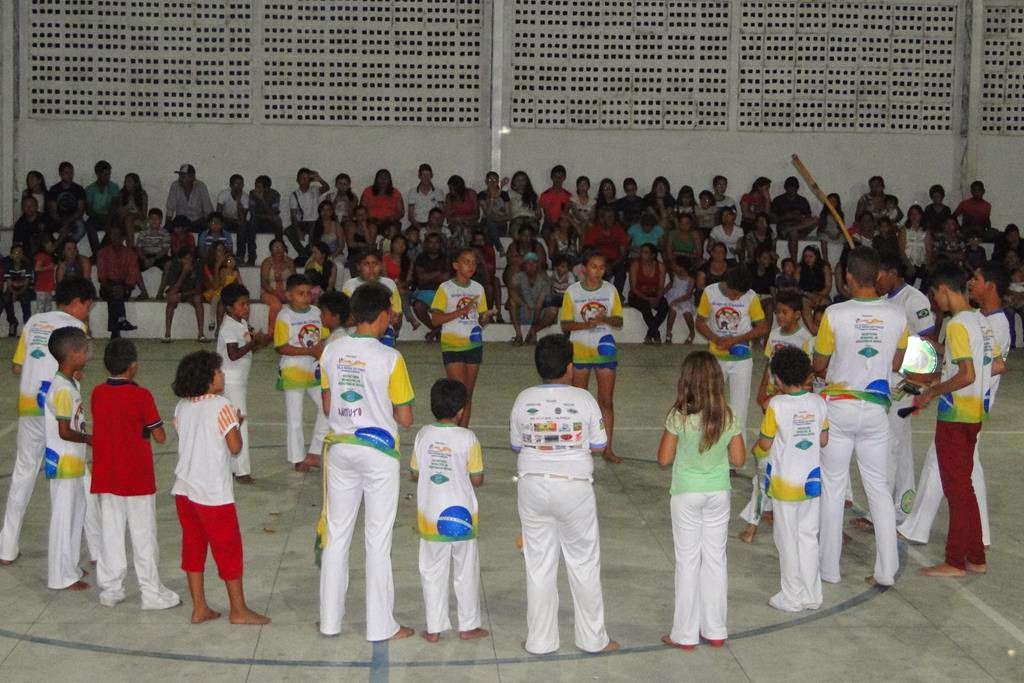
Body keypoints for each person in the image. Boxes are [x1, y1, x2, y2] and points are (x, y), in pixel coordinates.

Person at [317, 282, 415, 641]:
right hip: (378, 454)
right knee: (377, 539)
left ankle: (330, 621)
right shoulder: (391, 358)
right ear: (384, 315)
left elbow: (328, 406)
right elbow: (404, 418)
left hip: (340, 449)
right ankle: (380, 625)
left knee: (337, 535)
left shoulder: (331, 351)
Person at [509, 334, 618, 655]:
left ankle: (540, 640)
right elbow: (599, 445)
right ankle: (592, 639)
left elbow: (517, 444)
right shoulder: (584, 399)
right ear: (570, 367)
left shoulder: (522, 399)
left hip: (532, 483)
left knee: (538, 563)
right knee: (583, 562)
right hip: (573, 485)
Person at [812, 246, 908, 587]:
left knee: (834, 487)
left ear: (848, 277)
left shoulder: (834, 315)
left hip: (839, 407)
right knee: (879, 490)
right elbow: (900, 361)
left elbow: (819, 365)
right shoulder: (897, 315)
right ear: (879, 276)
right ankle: (886, 572)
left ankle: (828, 570)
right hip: (875, 411)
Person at [899, 262, 1008, 547]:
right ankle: (973, 538)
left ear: (943, 290)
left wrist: (935, 388)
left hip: (961, 408)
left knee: (958, 481)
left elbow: (981, 369)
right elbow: (986, 362)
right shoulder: (981, 320)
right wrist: (947, 361)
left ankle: (962, 545)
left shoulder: (971, 322)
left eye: (978, 278)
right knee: (961, 473)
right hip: (969, 407)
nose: (973, 282)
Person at [0, 277, 96, 566]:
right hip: (59, 408)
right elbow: (76, 371)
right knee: (78, 478)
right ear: (78, 302)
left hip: (29, 406)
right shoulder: (76, 328)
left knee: (23, 475)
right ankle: (94, 549)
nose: (87, 313)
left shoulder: (33, 322)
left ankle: (6, 547)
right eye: (88, 306)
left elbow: (17, 367)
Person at [170, 350, 269, 625]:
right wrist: (236, 425)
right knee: (228, 549)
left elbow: (191, 435)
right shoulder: (221, 406)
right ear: (207, 378)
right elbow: (234, 447)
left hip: (184, 489)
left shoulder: (182, 406)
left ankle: (199, 607)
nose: (223, 375)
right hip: (212, 492)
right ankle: (238, 609)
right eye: (218, 371)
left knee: (193, 547)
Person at [657, 351, 745, 650]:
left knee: (688, 561)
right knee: (715, 559)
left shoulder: (678, 415)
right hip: (718, 492)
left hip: (686, 492)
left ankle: (684, 633)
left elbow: (664, 458)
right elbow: (738, 459)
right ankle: (716, 629)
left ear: (686, 381)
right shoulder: (728, 414)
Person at [90, 338, 180, 609]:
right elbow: (160, 436)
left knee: (111, 533)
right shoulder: (142, 395)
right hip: (137, 476)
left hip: (107, 474)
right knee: (143, 535)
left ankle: (111, 589)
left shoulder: (97, 392)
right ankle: (151, 592)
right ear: (133, 365)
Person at [411, 379, 488, 643]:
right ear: (461, 410)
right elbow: (476, 479)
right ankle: (468, 626)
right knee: (465, 569)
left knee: (431, 570)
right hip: (462, 517)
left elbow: (414, 471)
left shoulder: (423, 435)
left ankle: (434, 628)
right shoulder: (468, 438)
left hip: (430, 515)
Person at [753, 346, 828, 612]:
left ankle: (791, 596)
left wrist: (758, 449)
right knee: (808, 536)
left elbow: (765, 442)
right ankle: (811, 594)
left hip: (785, 485)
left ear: (778, 380)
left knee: (787, 539)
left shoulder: (777, 405)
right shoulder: (819, 403)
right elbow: (823, 439)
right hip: (812, 482)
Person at [867, 250, 936, 530]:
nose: (876, 281)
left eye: (879, 276)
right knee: (899, 444)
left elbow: (927, 340)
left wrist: (912, 380)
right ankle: (902, 505)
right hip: (886, 379)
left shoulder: (913, 299)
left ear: (892, 272)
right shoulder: (883, 300)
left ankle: (882, 513)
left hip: (903, 381)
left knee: (891, 444)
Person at [743, 289, 813, 544]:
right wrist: (762, 393)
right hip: (772, 404)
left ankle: (759, 516)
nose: (780, 317)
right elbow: (768, 367)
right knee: (769, 454)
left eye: (785, 312)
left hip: (790, 405)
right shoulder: (773, 335)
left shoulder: (806, 339)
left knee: (773, 458)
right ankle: (766, 508)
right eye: (777, 312)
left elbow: (808, 376)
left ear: (797, 314)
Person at [560, 250, 624, 464]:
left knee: (606, 400)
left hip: (604, 350)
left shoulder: (610, 290)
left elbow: (619, 321)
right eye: (594, 266)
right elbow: (565, 324)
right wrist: (585, 324)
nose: (598, 271)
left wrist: (605, 318)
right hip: (579, 351)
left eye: (602, 267)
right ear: (584, 268)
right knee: (579, 401)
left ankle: (608, 448)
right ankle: (579, 445)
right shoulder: (572, 292)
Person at [43, 327, 93, 591]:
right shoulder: (62, 389)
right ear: (72, 354)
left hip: (73, 462)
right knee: (63, 519)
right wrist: (89, 439)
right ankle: (59, 575)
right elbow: (64, 430)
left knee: (76, 514)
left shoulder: (70, 382)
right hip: (63, 462)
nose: (87, 355)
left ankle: (70, 566)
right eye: (83, 351)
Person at [695, 266, 769, 444]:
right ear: (726, 284)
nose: (735, 298)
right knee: (711, 405)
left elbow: (762, 326)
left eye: (739, 296)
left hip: (742, 360)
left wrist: (736, 339)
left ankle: (736, 456)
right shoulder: (710, 292)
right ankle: (709, 447)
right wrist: (716, 338)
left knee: (739, 409)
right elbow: (700, 321)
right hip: (716, 358)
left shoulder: (751, 296)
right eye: (733, 294)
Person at [431, 249, 493, 427]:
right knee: (458, 393)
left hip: (473, 344)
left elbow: (480, 320)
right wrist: (462, 311)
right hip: (453, 346)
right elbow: (435, 319)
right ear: (456, 265)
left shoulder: (478, 288)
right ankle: (452, 428)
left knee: (468, 394)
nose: (471, 266)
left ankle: (463, 431)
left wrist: (486, 317)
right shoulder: (446, 288)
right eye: (466, 261)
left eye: (474, 262)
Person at [217, 284, 272, 484]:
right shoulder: (228, 327)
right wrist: (253, 342)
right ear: (229, 308)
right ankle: (242, 470)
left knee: (234, 421)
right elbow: (233, 354)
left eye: (247, 303)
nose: (246, 307)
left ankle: (233, 466)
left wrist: (261, 341)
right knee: (240, 421)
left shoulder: (240, 323)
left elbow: (247, 351)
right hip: (231, 381)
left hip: (238, 380)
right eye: (242, 304)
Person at [275, 274, 328, 472]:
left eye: (308, 293)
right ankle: (297, 457)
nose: (306, 297)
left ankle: (314, 451)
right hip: (293, 371)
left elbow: (323, 336)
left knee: (326, 407)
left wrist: (320, 349)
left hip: (314, 369)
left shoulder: (316, 312)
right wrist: (309, 351)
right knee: (295, 417)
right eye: (300, 294)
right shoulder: (285, 316)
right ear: (289, 295)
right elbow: (281, 347)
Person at [340, 249, 404, 346]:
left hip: (383, 329)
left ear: (381, 266)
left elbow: (396, 315)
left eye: (375, 264)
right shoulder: (350, 286)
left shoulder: (389, 284)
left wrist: (392, 320)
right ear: (358, 267)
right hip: (356, 330)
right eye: (366, 264)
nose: (371, 268)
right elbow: (346, 318)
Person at [96, 225, 140, 338]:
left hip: (125, 286)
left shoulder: (129, 253)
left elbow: (133, 274)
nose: (116, 238)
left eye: (118, 235)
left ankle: (115, 332)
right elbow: (101, 276)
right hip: (107, 286)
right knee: (114, 294)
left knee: (116, 296)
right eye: (113, 235)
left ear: (123, 237)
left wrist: (125, 288)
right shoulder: (103, 253)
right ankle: (121, 322)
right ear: (110, 237)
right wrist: (113, 288)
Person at [46, 161, 95, 254]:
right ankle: (64, 248)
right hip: (58, 219)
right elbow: (52, 210)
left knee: (81, 228)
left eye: (71, 172)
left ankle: (62, 247)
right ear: (60, 174)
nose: (70, 175)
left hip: (74, 218)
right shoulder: (54, 189)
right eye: (66, 173)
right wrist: (62, 221)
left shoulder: (79, 189)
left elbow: (80, 210)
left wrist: (68, 222)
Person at [411, 233, 450, 342]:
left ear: (440, 244)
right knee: (418, 306)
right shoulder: (421, 258)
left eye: (436, 242)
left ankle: (435, 332)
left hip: (442, 292)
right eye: (430, 242)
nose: (433, 245)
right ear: (426, 244)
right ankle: (436, 330)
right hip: (424, 291)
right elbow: (421, 278)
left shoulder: (445, 258)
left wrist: (429, 276)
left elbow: (446, 278)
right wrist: (438, 273)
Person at [509, 253, 555, 346]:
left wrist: (533, 328)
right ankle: (519, 335)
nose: (531, 266)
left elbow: (539, 305)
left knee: (553, 311)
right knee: (512, 302)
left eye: (534, 263)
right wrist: (523, 304)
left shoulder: (544, 280)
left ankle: (531, 333)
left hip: (538, 312)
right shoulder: (518, 276)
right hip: (523, 310)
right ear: (524, 265)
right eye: (528, 264)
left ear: (537, 265)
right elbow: (512, 293)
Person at [163, 248, 207, 343]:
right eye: (186, 259)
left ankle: (201, 334)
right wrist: (184, 273)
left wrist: (181, 295)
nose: (189, 261)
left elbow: (198, 289)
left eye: (191, 258)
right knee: (171, 301)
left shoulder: (197, 266)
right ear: (180, 260)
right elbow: (173, 290)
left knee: (198, 299)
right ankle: (167, 334)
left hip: (191, 293)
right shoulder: (175, 267)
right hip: (179, 292)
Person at [582, 206, 629, 293]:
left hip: (615, 260)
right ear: (602, 218)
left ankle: (617, 295)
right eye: (608, 217)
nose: (611, 219)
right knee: (599, 271)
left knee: (621, 271)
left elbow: (623, 253)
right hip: (598, 260)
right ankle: (600, 294)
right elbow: (589, 251)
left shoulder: (618, 230)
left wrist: (612, 265)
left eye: (612, 216)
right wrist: (603, 264)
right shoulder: (594, 230)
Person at [628, 243, 669, 344]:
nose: (642, 255)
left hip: (654, 294)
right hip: (637, 295)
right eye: (641, 252)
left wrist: (658, 298)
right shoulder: (635, 265)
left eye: (646, 252)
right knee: (645, 306)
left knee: (664, 307)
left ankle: (649, 335)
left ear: (653, 255)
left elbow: (660, 286)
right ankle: (656, 334)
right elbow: (633, 288)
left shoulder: (660, 266)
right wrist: (647, 299)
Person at [771, 177, 818, 261]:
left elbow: (808, 218)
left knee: (816, 219)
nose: (792, 190)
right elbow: (772, 219)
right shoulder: (778, 200)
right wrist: (787, 216)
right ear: (785, 188)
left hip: (799, 227)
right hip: (784, 228)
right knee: (793, 233)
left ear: (797, 188)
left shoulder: (802, 200)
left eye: (794, 188)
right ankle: (794, 261)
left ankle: (791, 229)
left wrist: (800, 217)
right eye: (789, 188)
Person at [286, 167, 329, 258]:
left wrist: (319, 178)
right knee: (288, 231)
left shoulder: (315, 190)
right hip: (302, 223)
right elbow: (293, 215)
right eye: (302, 178)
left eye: (307, 178)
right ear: (297, 180)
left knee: (315, 234)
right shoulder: (294, 195)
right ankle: (303, 254)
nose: (304, 180)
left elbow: (327, 187)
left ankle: (307, 253)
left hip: (315, 222)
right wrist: (298, 229)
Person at [260, 238, 296, 333]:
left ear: (284, 249)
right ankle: (271, 333)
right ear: (271, 250)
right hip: (268, 292)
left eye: (280, 247)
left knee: (298, 301)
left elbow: (295, 281)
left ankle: (293, 331)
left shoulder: (290, 262)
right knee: (276, 305)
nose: (278, 249)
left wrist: (288, 293)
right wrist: (275, 293)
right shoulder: (266, 263)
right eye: (275, 247)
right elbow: (263, 283)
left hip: (286, 292)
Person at [135, 208, 172, 300]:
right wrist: (144, 258)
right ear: (148, 220)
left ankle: (160, 293)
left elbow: (165, 250)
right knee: (133, 264)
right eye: (152, 219)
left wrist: (154, 258)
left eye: (157, 219)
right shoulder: (143, 233)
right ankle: (143, 293)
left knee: (169, 264)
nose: (154, 221)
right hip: (146, 255)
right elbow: (138, 248)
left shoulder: (165, 233)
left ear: (161, 220)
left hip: (160, 256)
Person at [165, 164, 213, 233]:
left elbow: (207, 208)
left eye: (183, 176)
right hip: (181, 221)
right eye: (180, 176)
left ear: (192, 177)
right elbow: (170, 208)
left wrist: (209, 224)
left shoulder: (201, 186)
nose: (180, 179)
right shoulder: (175, 186)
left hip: (197, 221)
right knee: (168, 229)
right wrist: (167, 224)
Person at [215, 174, 251, 262]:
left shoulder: (245, 197)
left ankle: (240, 256)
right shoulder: (223, 195)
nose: (239, 187)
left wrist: (238, 202)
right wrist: (230, 220)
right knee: (218, 225)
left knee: (243, 226)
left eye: (241, 184)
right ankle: (222, 255)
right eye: (237, 184)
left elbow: (243, 218)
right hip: (225, 220)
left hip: (239, 221)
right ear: (231, 185)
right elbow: (218, 214)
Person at [3, 244, 35, 337]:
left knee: (25, 298)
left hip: (24, 289)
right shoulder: (8, 264)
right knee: (5, 298)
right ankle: (12, 322)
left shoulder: (27, 264)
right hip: (12, 289)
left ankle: (27, 326)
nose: (18, 255)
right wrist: (14, 291)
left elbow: (26, 283)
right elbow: (9, 284)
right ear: (11, 255)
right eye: (15, 253)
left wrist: (17, 292)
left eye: (20, 252)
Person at [664, 256, 696, 344]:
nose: (673, 267)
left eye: (676, 265)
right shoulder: (674, 275)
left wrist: (677, 301)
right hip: (673, 295)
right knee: (672, 310)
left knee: (687, 312)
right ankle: (668, 333)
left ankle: (692, 332)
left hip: (684, 298)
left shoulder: (690, 279)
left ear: (682, 267)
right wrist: (663, 293)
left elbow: (688, 294)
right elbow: (670, 285)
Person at [84, 160, 120, 236]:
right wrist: (100, 217)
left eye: (109, 174)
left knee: (116, 226)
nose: (108, 177)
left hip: (111, 217)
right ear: (98, 174)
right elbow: (88, 210)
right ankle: (97, 248)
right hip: (96, 217)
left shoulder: (114, 187)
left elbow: (115, 206)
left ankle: (103, 247)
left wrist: (108, 220)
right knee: (88, 226)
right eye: (105, 174)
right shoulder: (90, 189)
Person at [248, 175, 284, 244]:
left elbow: (273, 213)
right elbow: (253, 212)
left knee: (277, 220)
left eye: (258, 187)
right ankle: (252, 252)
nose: (256, 189)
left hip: (270, 222)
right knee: (252, 220)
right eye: (255, 186)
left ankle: (280, 244)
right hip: (257, 220)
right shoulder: (252, 194)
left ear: (266, 188)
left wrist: (262, 200)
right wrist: (266, 216)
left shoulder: (275, 195)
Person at [539, 165, 572, 237]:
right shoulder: (545, 195)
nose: (558, 179)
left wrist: (558, 225)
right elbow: (547, 215)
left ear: (564, 178)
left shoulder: (568, 195)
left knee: (568, 233)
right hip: (549, 223)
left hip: (562, 223)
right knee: (547, 233)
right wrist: (554, 225)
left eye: (560, 177)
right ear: (551, 177)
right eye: (555, 177)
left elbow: (565, 213)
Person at [33, 235, 58, 313]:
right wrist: (48, 267)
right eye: (51, 245)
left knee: (48, 309)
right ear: (44, 245)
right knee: (40, 309)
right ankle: (39, 324)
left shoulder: (49, 256)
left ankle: (46, 324)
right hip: (41, 287)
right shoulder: (41, 255)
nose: (52, 247)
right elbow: (37, 268)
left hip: (48, 286)